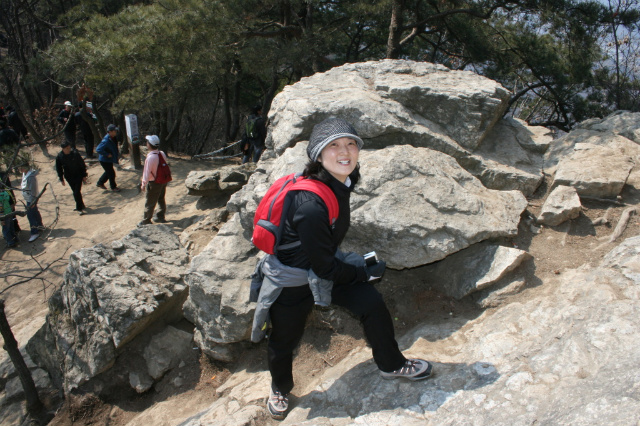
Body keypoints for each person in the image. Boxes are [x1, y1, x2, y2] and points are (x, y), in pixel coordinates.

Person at [255, 117, 432, 420]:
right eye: (334, 145)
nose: (345, 151)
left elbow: (324, 256)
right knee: (284, 338)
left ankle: (391, 364)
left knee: (371, 303)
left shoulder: (340, 183)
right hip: (292, 280)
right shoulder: (310, 203)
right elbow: (325, 267)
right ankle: (280, 387)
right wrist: (363, 272)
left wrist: (357, 269)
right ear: (318, 155)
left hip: (319, 266)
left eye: (351, 143)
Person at [139, 135, 168, 225]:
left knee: (150, 201)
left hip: (154, 183)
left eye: (147, 142)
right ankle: (160, 216)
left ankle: (146, 220)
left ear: (149, 145)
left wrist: (143, 184)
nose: (146, 143)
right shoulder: (161, 153)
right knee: (161, 198)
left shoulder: (151, 157)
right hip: (163, 180)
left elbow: (146, 172)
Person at [56, 140, 88, 215]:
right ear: (63, 149)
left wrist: (84, 175)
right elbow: (59, 168)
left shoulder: (75, 154)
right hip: (69, 176)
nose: (68, 149)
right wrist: (61, 178)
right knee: (75, 191)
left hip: (78, 175)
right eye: (67, 148)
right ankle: (81, 204)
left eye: (69, 147)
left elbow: (81, 164)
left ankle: (79, 208)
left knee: (76, 191)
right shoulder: (60, 156)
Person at [18, 162, 43, 242]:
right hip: (28, 198)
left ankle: (34, 232)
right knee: (35, 212)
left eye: (20, 168)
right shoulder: (25, 174)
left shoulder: (31, 177)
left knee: (30, 215)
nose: (19, 169)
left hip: (31, 199)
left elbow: (33, 190)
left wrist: (32, 202)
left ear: (24, 168)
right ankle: (40, 226)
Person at [95, 124, 121, 192]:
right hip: (104, 160)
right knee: (111, 174)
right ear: (110, 132)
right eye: (114, 131)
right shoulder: (106, 140)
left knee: (108, 172)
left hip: (109, 160)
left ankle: (100, 183)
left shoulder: (113, 138)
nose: (116, 132)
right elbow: (98, 149)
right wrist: (107, 154)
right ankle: (113, 187)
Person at [0, 173, 18, 248]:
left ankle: (10, 242)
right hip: (9, 213)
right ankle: (15, 238)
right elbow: (9, 201)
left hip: (4, 215)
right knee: (11, 227)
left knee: (5, 230)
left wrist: (1, 219)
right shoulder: (5, 193)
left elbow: (0, 209)